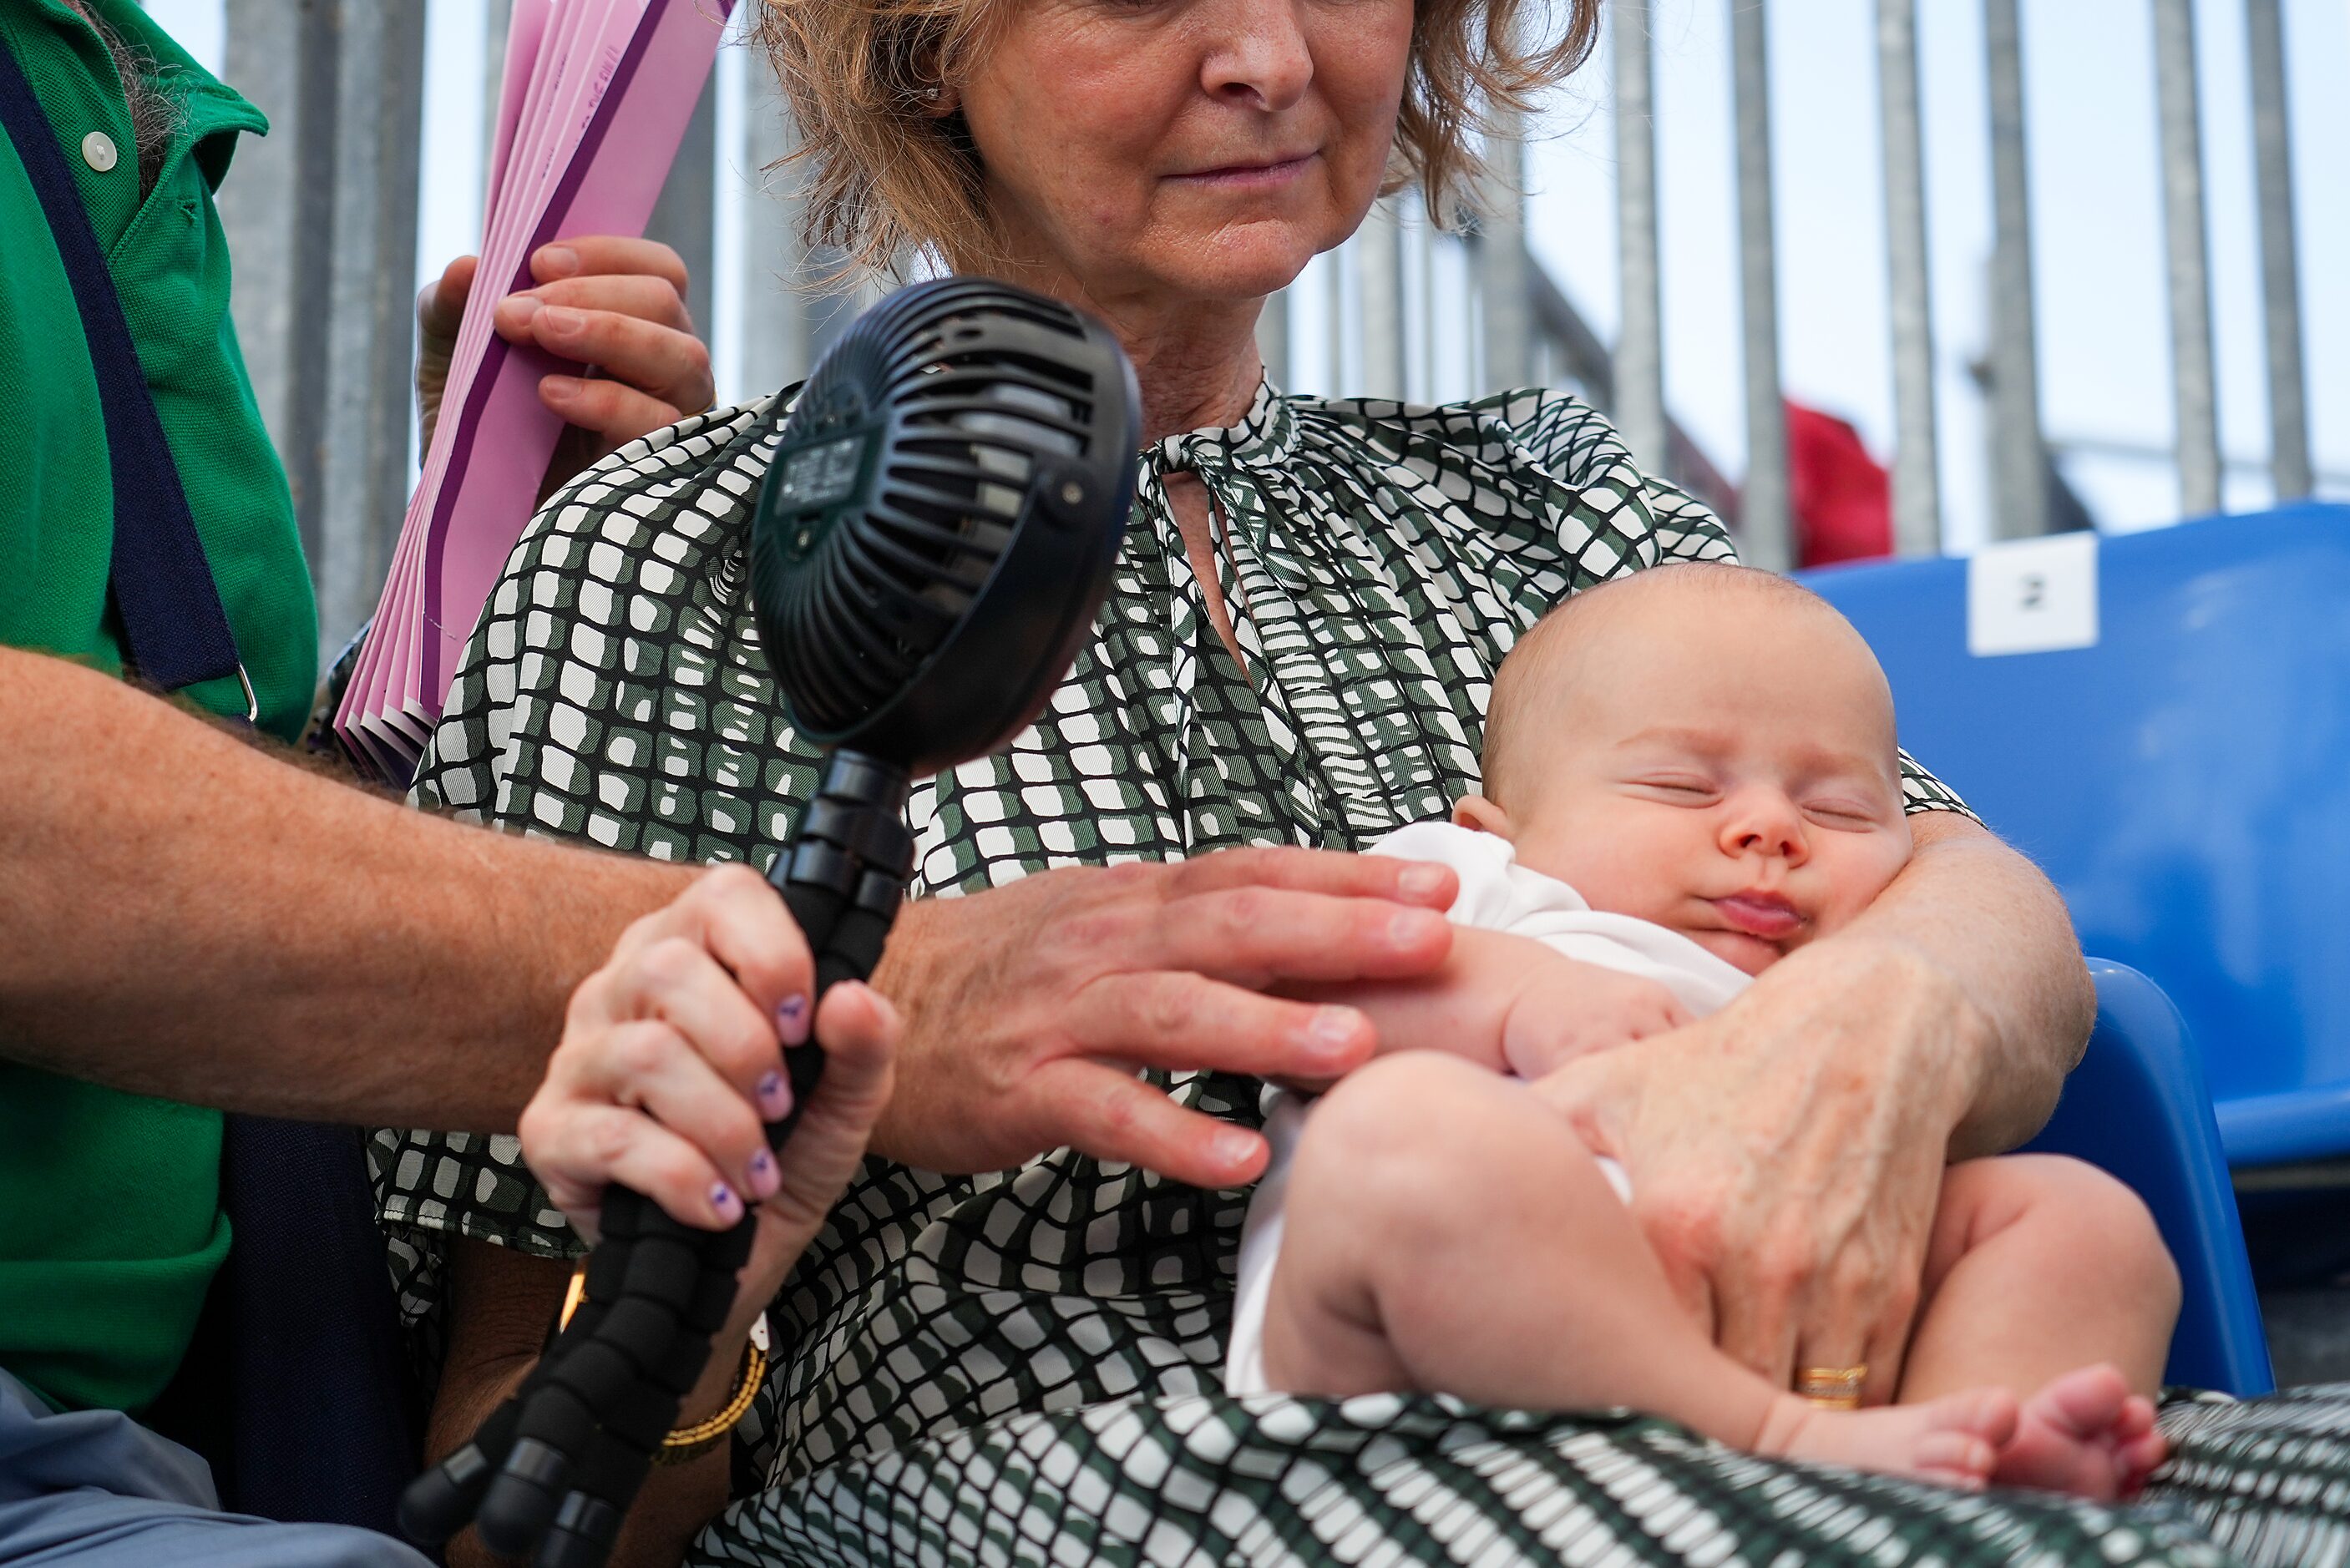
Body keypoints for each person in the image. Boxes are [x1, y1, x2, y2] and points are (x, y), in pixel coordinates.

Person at [387, 0, 2350, 1565]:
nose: (1266, 54)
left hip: (1788, 1403)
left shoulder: (1545, 493)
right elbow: (512, 1472)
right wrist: (737, 1244)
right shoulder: (690, 541)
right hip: (1070, 1478)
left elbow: (1968, 886)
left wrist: (1880, 1018)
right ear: (925, 45)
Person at [0, 3, 818, 1561]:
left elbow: (182, 758)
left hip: (149, 1438)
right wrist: (836, 996)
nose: (1254, 56)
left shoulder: (91, 86)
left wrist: (490, 591)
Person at [1220, 564, 2180, 1501]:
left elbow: (1970, 912)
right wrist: (1520, 997)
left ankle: (1985, 1469)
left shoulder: (1840, 965)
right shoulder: (1483, 885)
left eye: (1837, 808)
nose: (1770, 827)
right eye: (1685, 788)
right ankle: (1788, 1442)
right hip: (1408, 1376)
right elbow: (1303, 991)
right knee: (1403, 1133)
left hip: (1786, 1310)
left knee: (2079, 1220)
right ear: (1496, 829)